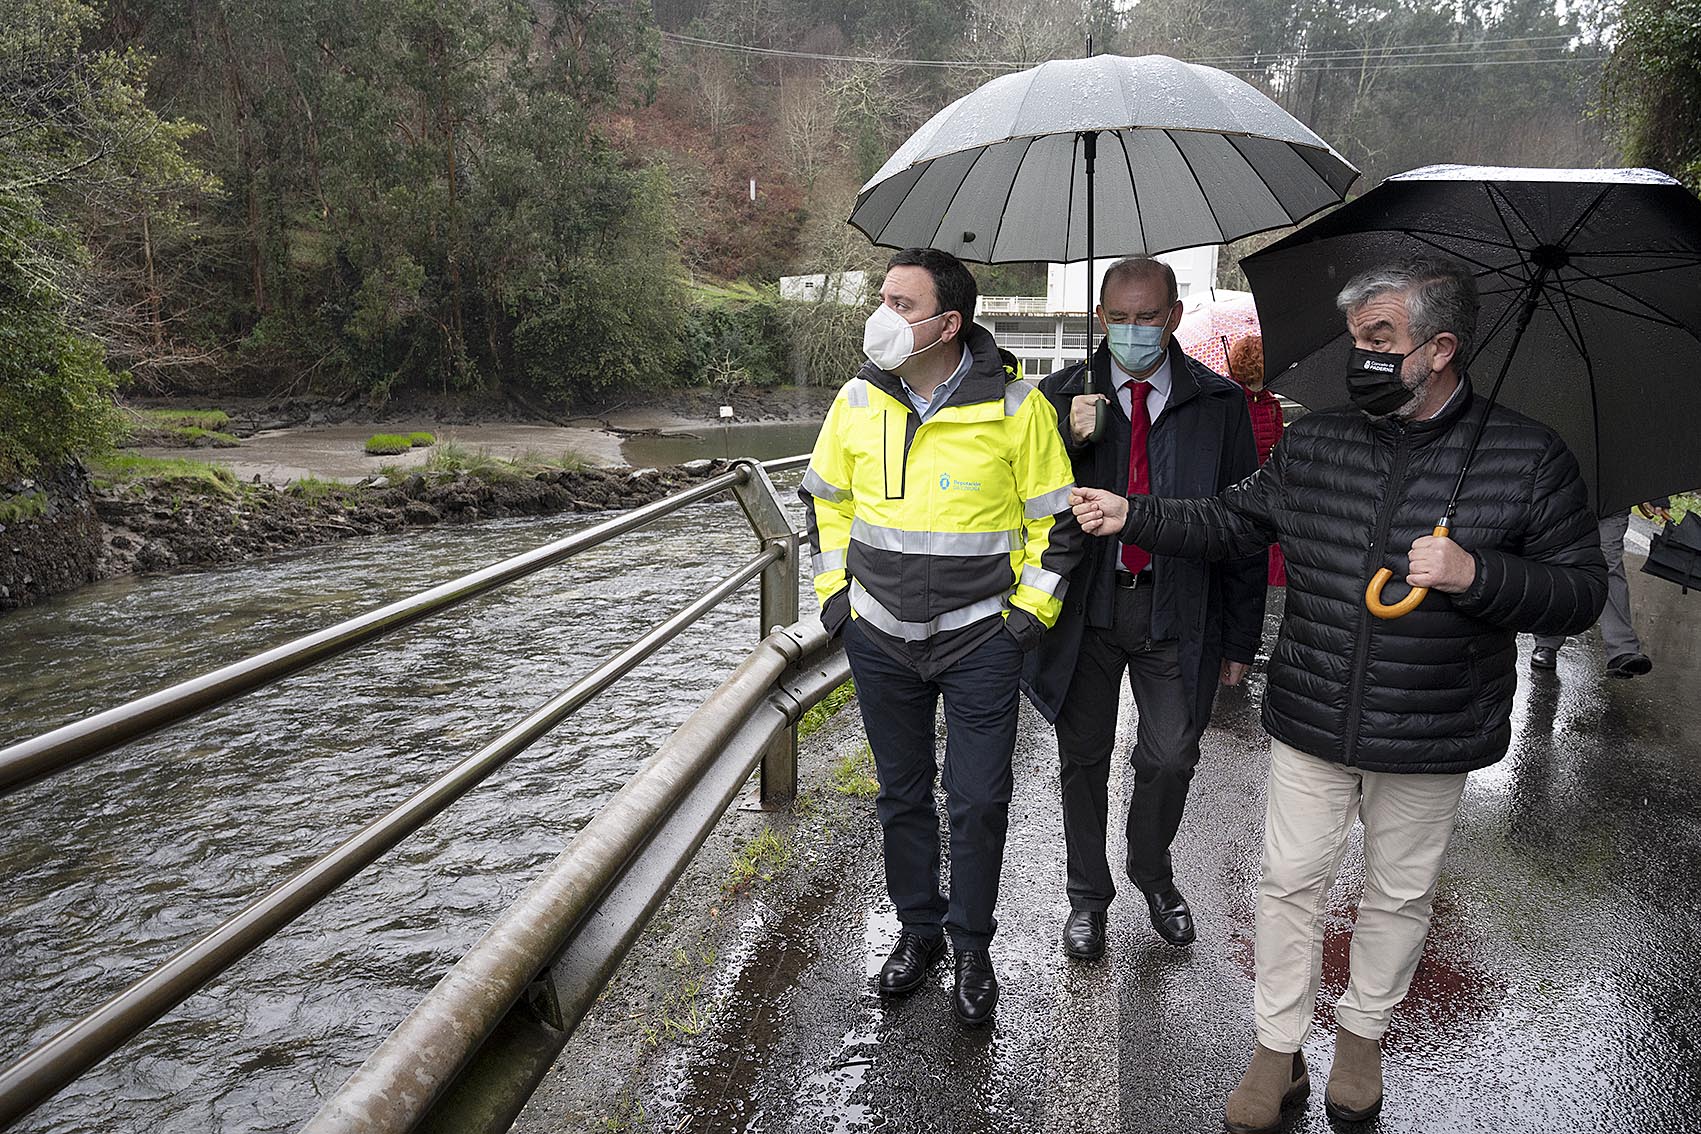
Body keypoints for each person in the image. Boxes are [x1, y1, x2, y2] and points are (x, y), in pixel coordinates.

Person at [1070, 256, 1606, 1131]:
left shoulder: (1525, 455)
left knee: (1397, 892)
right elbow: (1229, 520)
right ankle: (1274, 1048)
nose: (1360, 357)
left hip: (1434, 720)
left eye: (1379, 341)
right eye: (1356, 338)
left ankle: (1360, 1040)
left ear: (1439, 349)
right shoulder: (1316, 441)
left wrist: (1479, 573)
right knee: (1287, 882)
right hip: (1313, 708)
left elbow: (1580, 592)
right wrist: (1135, 513)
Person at [799, 247, 1082, 1027]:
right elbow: (827, 504)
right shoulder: (856, 400)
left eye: (901, 303)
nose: (880, 316)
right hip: (879, 635)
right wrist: (835, 600)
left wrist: (1025, 618)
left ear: (947, 323)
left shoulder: (1018, 409)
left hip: (978, 639)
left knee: (980, 799)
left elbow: (1054, 528)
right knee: (902, 795)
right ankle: (919, 929)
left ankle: (971, 944)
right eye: (881, 298)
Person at [1020, 257, 1266, 959]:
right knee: (1082, 759)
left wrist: (1238, 641)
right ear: (1100, 318)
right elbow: (1021, 513)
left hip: (1178, 609)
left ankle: (1150, 870)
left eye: (1147, 316)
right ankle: (1086, 899)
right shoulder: (1055, 397)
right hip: (1083, 612)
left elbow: (1244, 526)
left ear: (1173, 317)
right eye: (1119, 318)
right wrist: (1067, 442)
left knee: (1169, 756)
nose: (1132, 330)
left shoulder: (1219, 406)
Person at [1529, 499, 1667, 676]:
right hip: (1563, 495)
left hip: (1613, 499)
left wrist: (1657, 498)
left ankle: (1622, 650)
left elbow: (1643, 469)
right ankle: (1547, 642)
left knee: (1608, 565)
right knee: (1559, 562)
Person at [1226, 334, 1287, 586]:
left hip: (1266, 482)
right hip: (1236, 478)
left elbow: (1281, 443)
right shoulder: (1229, 400)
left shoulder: (1271, 403)